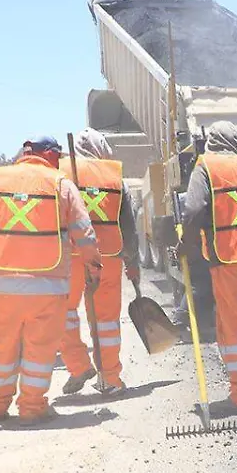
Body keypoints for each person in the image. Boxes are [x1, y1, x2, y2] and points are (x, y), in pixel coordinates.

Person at [0, 136, 102, 425]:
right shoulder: (61, 184)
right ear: (49, 156)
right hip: (48, 287)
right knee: (39, 349)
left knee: (3, 348)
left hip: (4, 288)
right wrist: (93, 269)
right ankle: (32, 408)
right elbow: (85, 233)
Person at [176, 121, 237, 418]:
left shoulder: (206, 167)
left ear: (212, 143)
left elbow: (193, 211)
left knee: (235, 326)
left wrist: (187, 245)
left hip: (228, 256)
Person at [57, 128, 141, 395]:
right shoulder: (114, 176)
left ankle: (78, 364)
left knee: (62, 312)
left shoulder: (60, 174)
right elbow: (128, 224)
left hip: (71, 256)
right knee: (105, 320)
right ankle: (110, 379)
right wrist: (133, 262)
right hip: (109, 256)